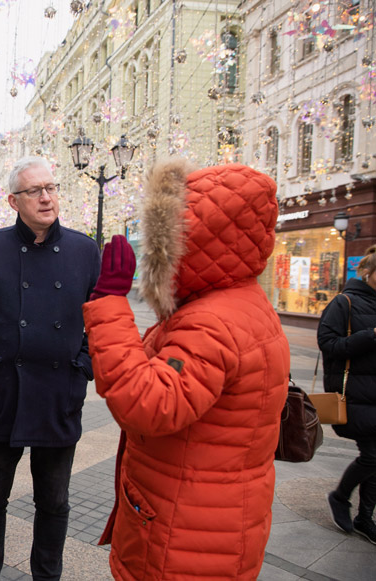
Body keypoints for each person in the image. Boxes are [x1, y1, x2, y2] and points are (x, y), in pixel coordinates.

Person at [81, 160, 289, 579]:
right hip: (209, 520)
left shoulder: (212, 321)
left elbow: (147, 404)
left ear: (197, 245)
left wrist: (108, 304)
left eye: (162, 246)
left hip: (186, 533)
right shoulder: (238, 303)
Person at [0, 157, 100, 581]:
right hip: (4, 393)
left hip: (58, 394)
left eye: (51, 187)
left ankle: (46, 576)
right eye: (35, 191)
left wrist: (83, 364)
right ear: (13, 200)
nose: (47, 197)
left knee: (54, 500)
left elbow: (102, 316)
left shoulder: (84, 249)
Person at [321, 244, 376, 544]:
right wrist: (371, 336)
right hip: (354, 395)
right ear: (368, 273)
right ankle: (341, 497)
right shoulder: (344, 303)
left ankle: (365, 517)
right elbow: (328, 343)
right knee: (371, 456)